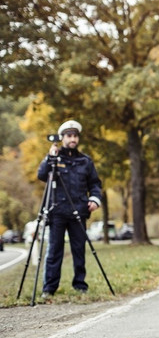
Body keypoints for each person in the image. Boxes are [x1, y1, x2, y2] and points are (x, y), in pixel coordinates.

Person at [37, 120, 102, 298]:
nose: (73, 139)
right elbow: (41, 175)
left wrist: (95, 199)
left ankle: (80, 285)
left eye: (75, 136)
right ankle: (49, 288)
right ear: (62, 138)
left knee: (79, 250)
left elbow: (95, 184)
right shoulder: (54, 158)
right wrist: (50, 157)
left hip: (79, 211)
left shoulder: (85, 161)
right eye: (69, 136)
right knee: (54, 251)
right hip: (57, 211)